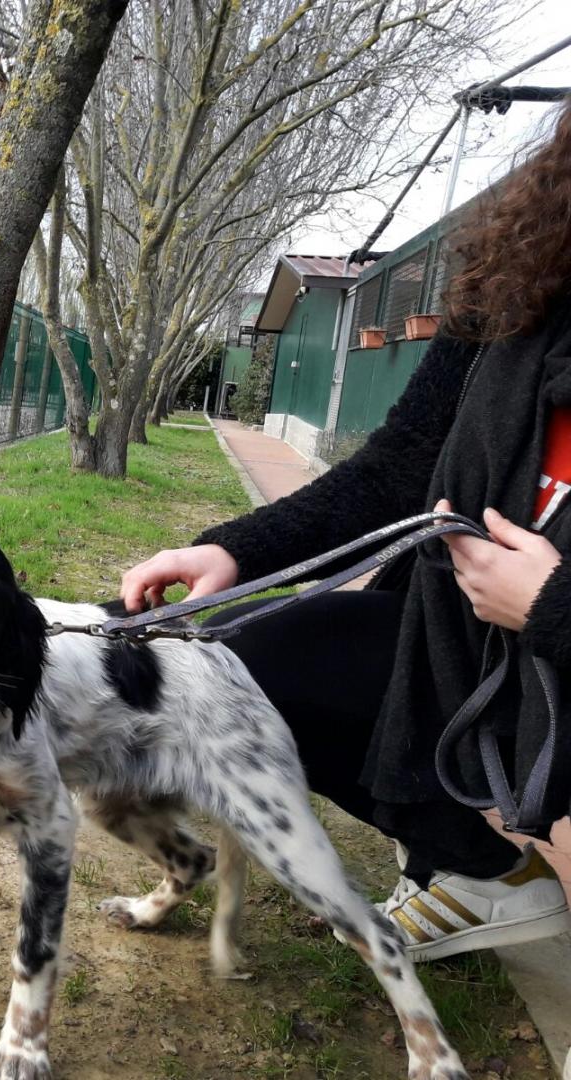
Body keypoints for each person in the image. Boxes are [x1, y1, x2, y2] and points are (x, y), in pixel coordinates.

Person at [121, 101, 571, 962]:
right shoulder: (522, 285)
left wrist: (554, 606)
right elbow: (397, 466)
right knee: (240, 662)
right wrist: (234, 551)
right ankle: (479, 870)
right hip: (466, 639)